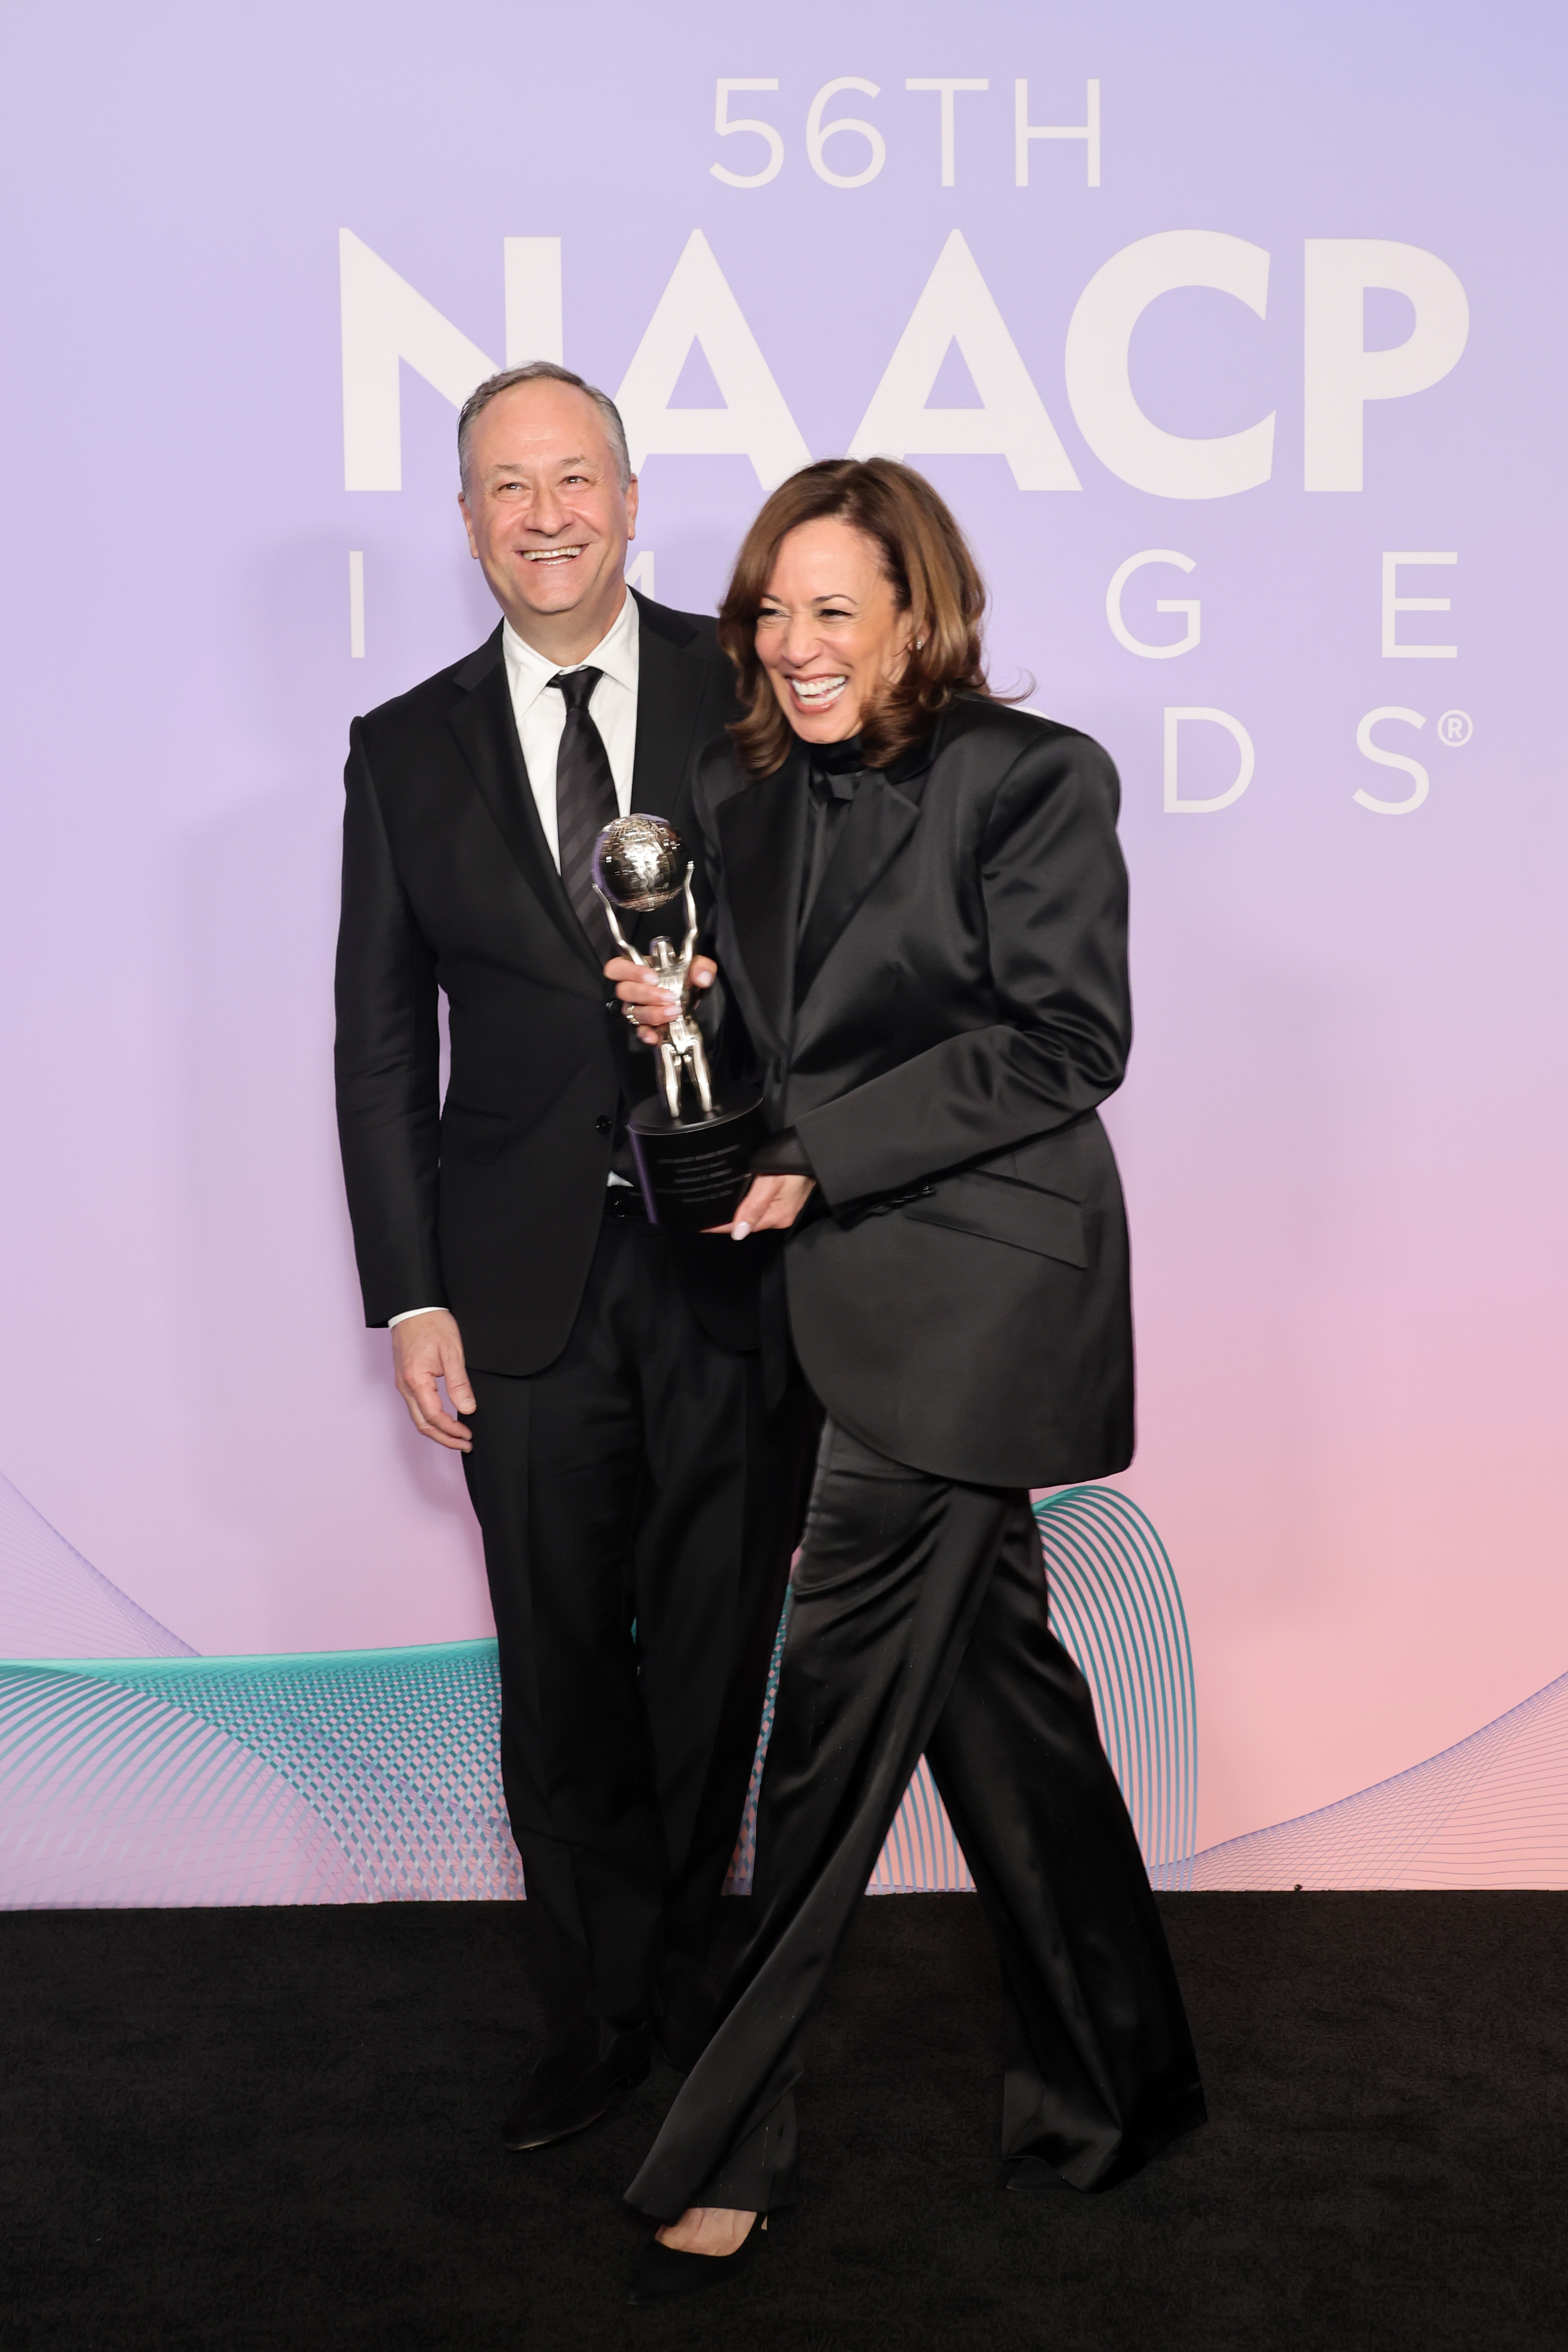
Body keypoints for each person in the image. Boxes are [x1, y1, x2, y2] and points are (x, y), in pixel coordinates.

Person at [612, 459, 1206, 2302]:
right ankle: (1122, 2084)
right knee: (1000, 1713)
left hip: (976, 1308)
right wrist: (684, 1016)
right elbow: (757, 1043)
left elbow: (1062, 1041)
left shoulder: (1033, 782)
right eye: (768, 613)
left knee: (829, 1741)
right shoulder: (734, 788)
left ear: (914, 613)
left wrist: (821, 1155)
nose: (792, 647)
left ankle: (724, 2143)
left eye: (829, 613)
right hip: (827, 1297)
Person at [333, 363, 817, 2155]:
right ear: (464, 520)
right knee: (557, 1677)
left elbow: (830, 951)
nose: (543, 514)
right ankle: (593, 2020)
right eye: (503, 487)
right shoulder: (402, 748)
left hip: (729, 1265)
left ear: (629, 497)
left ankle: (703, 2013)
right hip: (517, 1289)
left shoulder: (751, 688)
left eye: (573, 479)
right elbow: (380, 1041)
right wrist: (411, 1288)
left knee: (710, 1658)